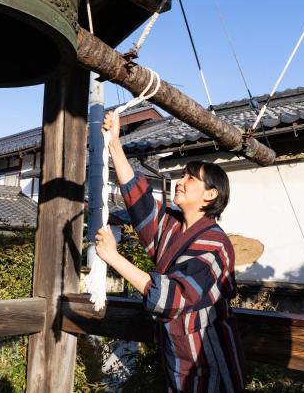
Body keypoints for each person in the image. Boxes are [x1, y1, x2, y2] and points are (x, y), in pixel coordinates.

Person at [95, 111, 246, 392]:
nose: (180, 181)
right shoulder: (173, 227)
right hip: (177, 359)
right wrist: (114, 143)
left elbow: (173, 297)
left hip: (210, 364)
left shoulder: (214, 245)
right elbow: (139, 202)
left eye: (190, 179)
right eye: (183, 175)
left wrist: (114, 258)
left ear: (210, 195)